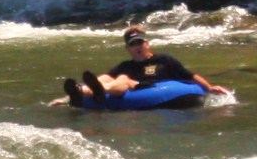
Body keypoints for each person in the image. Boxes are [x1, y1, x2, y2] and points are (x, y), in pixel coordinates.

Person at [62, 27, 228, 107]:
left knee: (123, 78)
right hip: (120, 88)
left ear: (147, 44)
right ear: (128, 49)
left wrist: (209, 87)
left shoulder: (164, 60)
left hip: (147, 87)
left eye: (140, 42)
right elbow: (105, 78)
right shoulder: (126, 65)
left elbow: (190, 76)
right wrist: (64, 100)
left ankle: (99, 91)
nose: (137, 46)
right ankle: (80, 92)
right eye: (133, 44)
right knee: (106, 77)